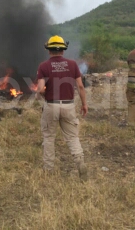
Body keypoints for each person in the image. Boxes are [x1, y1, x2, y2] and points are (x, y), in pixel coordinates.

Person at [35, 35, 88, 181]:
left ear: (49, 50)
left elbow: (39, 89)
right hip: (68, 105)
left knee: (49, 137)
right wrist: (84, 104)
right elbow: (81, 86)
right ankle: (80, 164)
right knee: (72, 137)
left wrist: (46, 95)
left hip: (51, 104)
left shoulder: (43, 66)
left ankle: (48, 170)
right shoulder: (72, 64)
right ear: (63, 50)